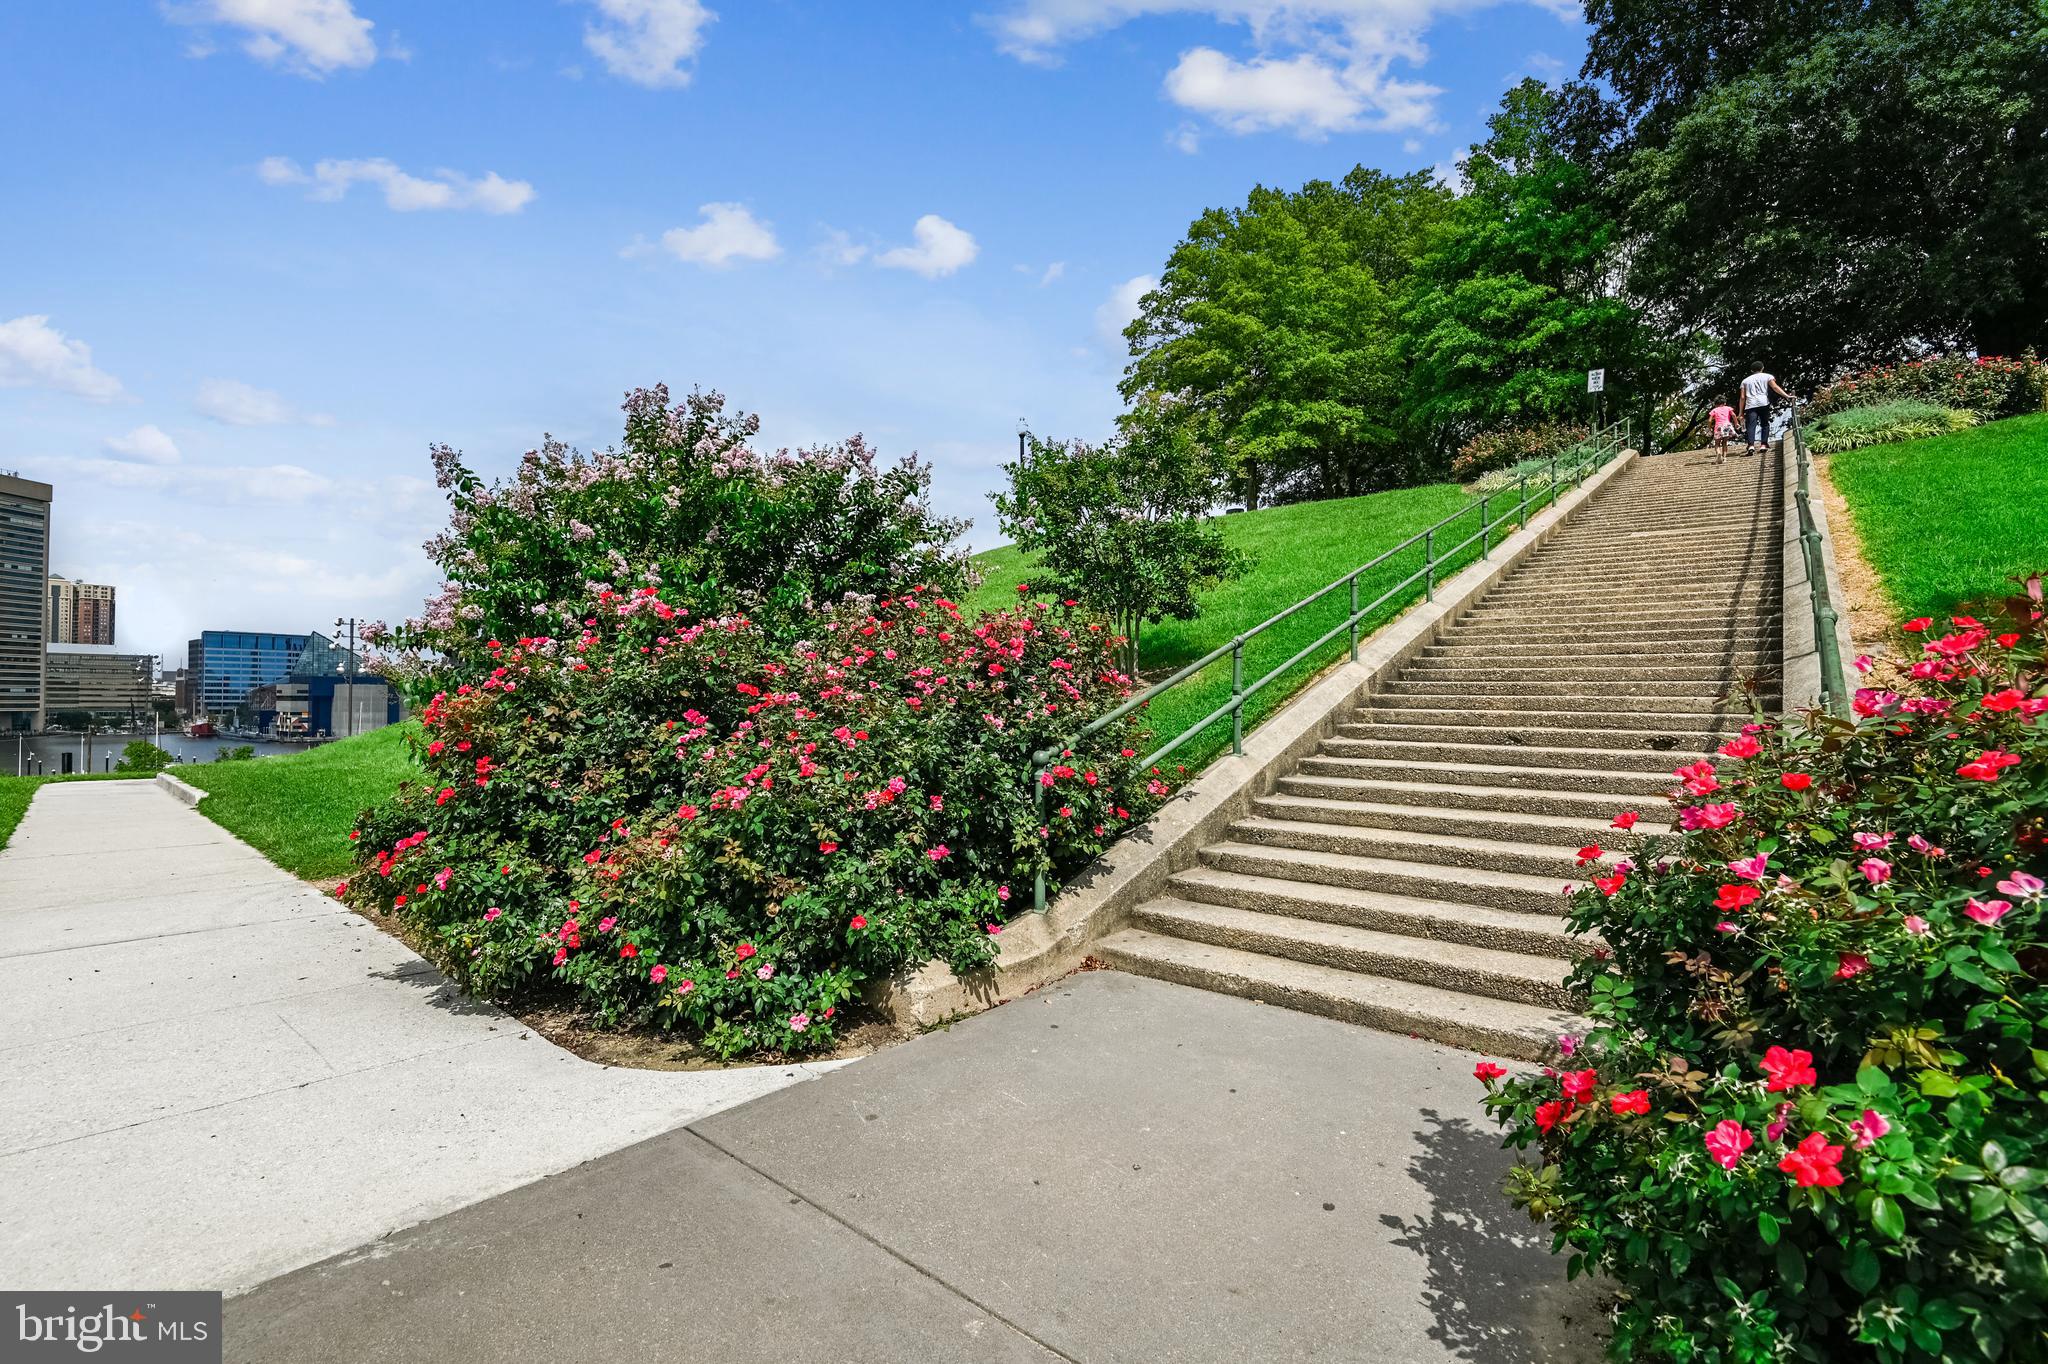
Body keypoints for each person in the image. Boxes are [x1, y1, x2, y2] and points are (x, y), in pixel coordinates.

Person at [1739, 361, 1795, 453]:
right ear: (1762, 368)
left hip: (1750, 405)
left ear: (1751, 370)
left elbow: (1742, 397)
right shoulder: (1767, 376)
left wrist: (1740, 412)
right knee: (1764, 424)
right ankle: (1763, 444)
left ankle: (1751, 445)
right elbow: (1775, 387)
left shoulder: (1745, 381)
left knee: (1751, 426)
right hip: (1763, 403)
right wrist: (1786, 396)